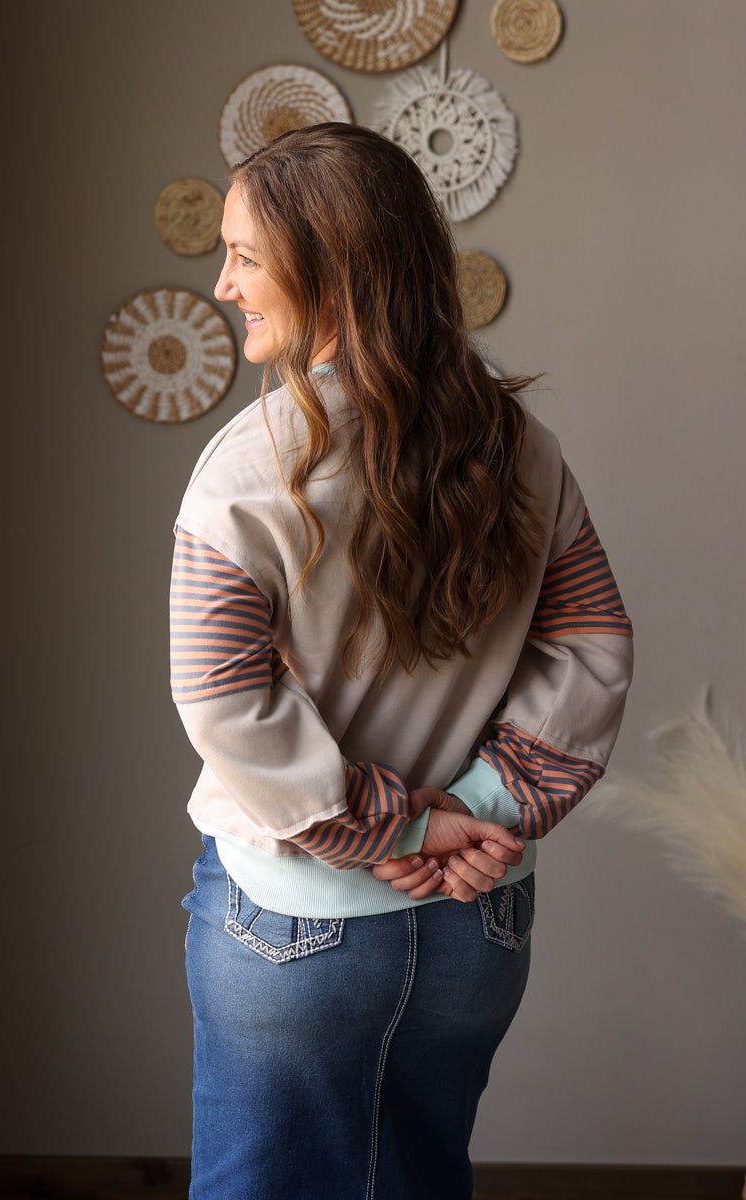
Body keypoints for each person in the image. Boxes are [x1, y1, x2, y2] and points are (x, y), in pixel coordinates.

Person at [170, 123, 633, 1200]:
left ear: (326, 267)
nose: (222, 280)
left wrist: (402, 826)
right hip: (481, 920)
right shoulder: (522, 445)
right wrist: (478, 808)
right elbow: (590, 643)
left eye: (243, 254)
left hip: (293, 921)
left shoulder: (245, 468)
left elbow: (224, 700)